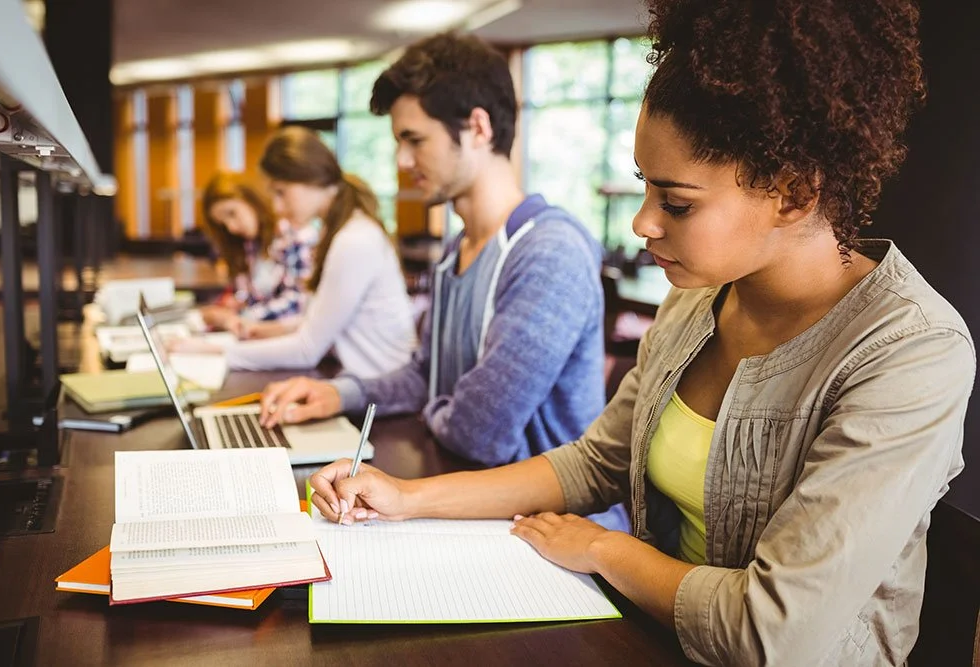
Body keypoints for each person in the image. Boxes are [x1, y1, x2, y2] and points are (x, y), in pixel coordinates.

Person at [303, 2, 975, 665]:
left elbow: (774, 631)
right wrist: (405, 496)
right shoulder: (696, 303)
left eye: (677, 203)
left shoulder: (909, 351)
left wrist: (603, 548)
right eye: (644, 189)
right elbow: (594, 462)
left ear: (795, 193)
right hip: (646, 634)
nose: (643, 223)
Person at [260, 33, 621, 526]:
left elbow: (480, 432)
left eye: (414, 140)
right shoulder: (457, 250)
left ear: (477, 128)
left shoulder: (547, 252)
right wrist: (337, 394)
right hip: (474, 508)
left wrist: (436, 404)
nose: (402, 162)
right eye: (398, 143)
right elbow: (424, 377)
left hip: (552, 535)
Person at [180, 127, 417, 378]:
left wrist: (213, 351)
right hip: (359, 380)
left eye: (281, 192)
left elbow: (306, 350)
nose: (277, 207)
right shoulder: (339, 232)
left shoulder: (354, 240)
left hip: (381, 392)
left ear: (310, 177)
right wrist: (265, 330)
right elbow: (320, 323)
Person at [196, 172, 317, 335]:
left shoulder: (296, 236)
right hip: (260, 339)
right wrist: (234, 305)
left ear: (252, 200)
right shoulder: (250, 245)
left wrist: (238, 318)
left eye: (232, 213)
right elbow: (257, 296)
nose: (231, 227)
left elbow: (297, 304)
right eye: (223, 224)